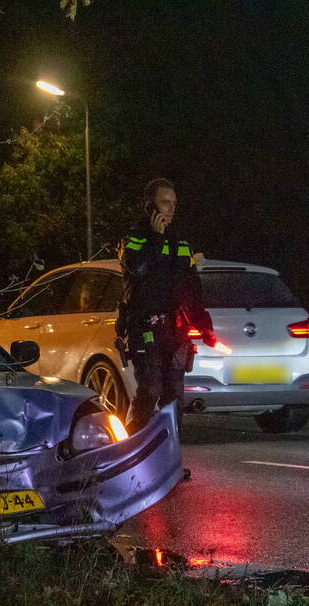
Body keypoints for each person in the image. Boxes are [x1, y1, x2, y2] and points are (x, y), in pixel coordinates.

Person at [116, 178, 217, 446]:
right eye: (164, 202)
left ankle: (170, 458)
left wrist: (203, 323)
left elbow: (191, 284)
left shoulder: (180, 238)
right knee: (150, 390)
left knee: (174, 395)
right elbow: (137, 269)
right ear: (149, 206)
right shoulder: (134, 236)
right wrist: (157, 240)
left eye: (174, 203)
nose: (170, 209)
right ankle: (128, 451)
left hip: (175, 329)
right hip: (144, 326)